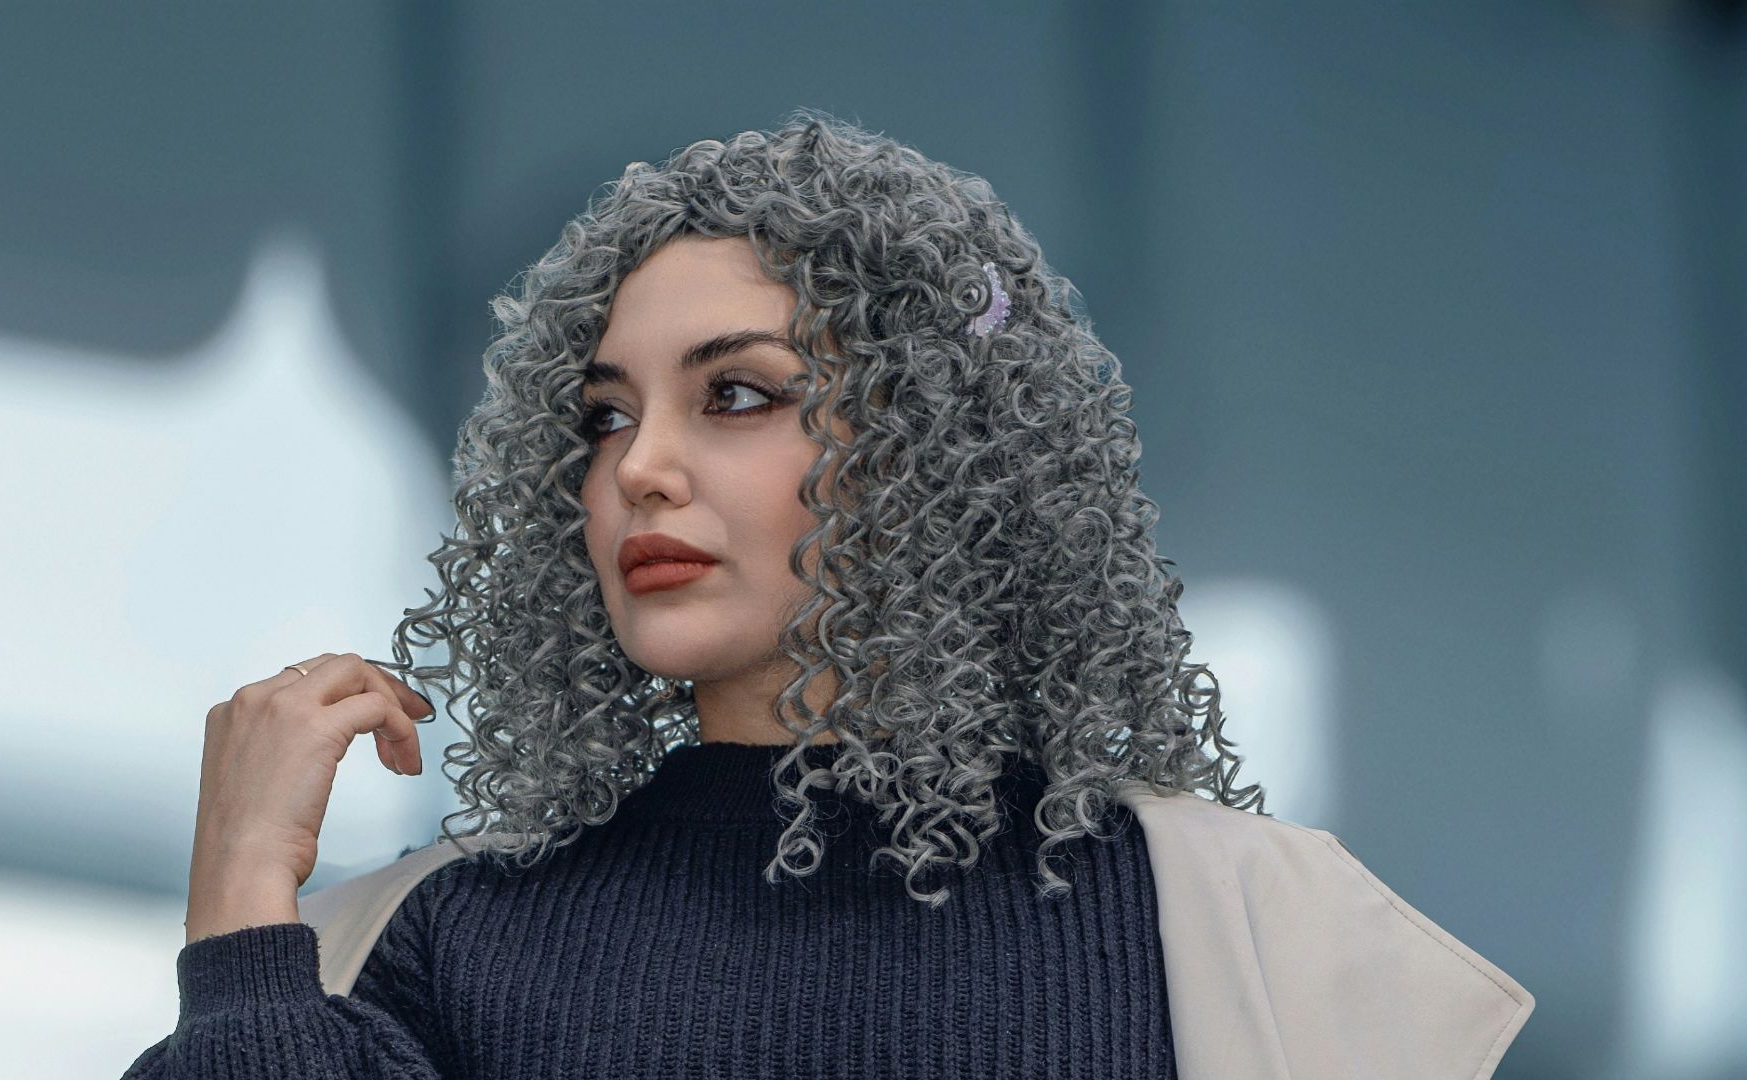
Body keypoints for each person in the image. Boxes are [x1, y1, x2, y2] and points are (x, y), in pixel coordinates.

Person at [123, 110, 1532, 1079]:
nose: (642, 472)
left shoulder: (1238, 926)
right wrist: (244, 909)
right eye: (604, 417)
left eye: (737, 395)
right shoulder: (430, 939)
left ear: (935, 445)